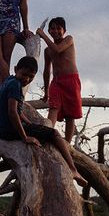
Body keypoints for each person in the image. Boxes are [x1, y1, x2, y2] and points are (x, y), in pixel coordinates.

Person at [0, 56, 88, 190]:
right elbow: (12, 112)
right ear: (15, 70)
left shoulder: (9, 81)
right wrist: (25, 136)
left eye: (31, 77)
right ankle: (73, 169)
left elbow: (19, 112)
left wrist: (30, 124)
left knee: (23, 152)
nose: (26, 79)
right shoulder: (15, 85)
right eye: (24, 74)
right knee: (54, 134)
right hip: (8, 130)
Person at [37, 16, 82, 144]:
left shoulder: (69, 39)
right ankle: (46, 136)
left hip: (71, 80)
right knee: (53, 108)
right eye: (52, 29)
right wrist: (46, 92)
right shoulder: (47, 51)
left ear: (64, 30)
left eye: (58, 28)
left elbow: (58, 49)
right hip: (56, 82)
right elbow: (47, 71)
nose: (55, 31)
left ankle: (67, 144)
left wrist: (43, 35)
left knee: (70, 115)